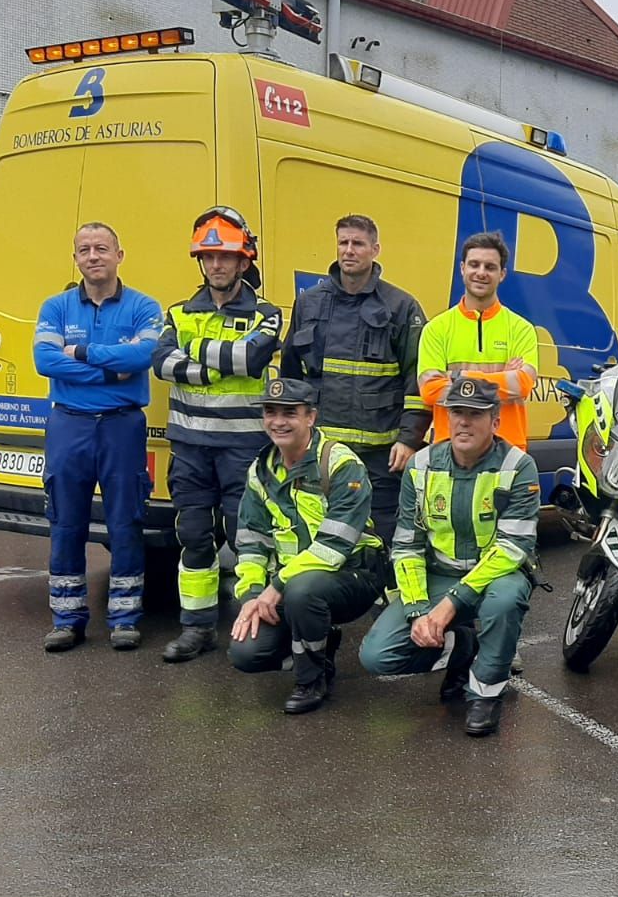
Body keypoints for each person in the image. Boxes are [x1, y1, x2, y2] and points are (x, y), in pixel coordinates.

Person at [358, 376, 539, 736]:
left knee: (503, 602)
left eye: (475, 414)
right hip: (440, 574)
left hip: (494, 576)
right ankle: (462, 645)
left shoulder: (518, 466)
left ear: (496, 422)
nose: (463, 422)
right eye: (456, 412)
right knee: (375, 656)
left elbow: (510, 549)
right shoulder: (422, 465)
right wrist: (417, 611)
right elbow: (407, 545)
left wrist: (449, 606)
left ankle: (485, 694)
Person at [151, 207, 282, 663]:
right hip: (189, 448)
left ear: (244, 261)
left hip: (244, 449)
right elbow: (161, 363)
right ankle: (197, 627)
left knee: (248, 540)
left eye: (224, 257)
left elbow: (250, 360)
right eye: (207, 257)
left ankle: (255, 628)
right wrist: (214, 362)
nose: (215, 266)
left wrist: (193, 361)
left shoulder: (267, 315)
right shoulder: (178, 311)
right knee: (193, 538)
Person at [33, 222, 164, 652]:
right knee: (65, 521)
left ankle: (125, 618)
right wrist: (114, 369)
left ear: (119, 255)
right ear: (75, 258)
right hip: (69, 423)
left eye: (102, 248)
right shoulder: (55, 307)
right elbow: (44, 361)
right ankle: (67, 619)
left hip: (122, 425)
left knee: (125, 521)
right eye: (85, 249)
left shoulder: (144, 307)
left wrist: (84, 353)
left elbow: (145, 355)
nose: (94, 256)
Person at [228, 377, 388, 715]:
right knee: (245, 653)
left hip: (353, 574)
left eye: (290, 413)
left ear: (310, 418)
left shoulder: (340, 464)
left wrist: (277, 586)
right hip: (291, 584)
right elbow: (251, 542)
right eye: (271, 412)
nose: (278, 421)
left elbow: (334, 546)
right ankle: (320, 640)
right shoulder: (261, 471)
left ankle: (311, 680)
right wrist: (252, 595)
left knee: (303, 591)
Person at [280, 215, 428, 544]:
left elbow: (418, 379)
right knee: (319, 534)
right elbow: (290, 376)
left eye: (358, 243)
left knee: (385, 537)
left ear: (375, 249)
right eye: (343, 242)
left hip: (381, 454)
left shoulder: (400, 306)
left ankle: (387, 595)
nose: (349, 250)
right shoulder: (309, 303)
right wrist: (291, 438)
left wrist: (409, 439)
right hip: (321, 451)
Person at [416, 231, 539, 450]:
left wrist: (456, 378)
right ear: (462, 268)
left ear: (502, 274)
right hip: (450, 452)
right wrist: (501, 379)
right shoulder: (436, 329)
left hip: (507, 453)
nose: (481, 272)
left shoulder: (522, 329)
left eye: (490, 267)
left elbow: (522, 384)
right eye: (474, 264)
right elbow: (430, 390)